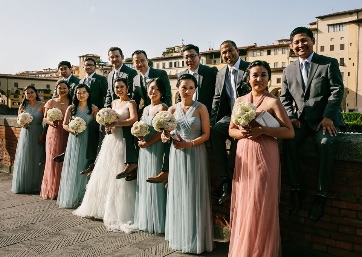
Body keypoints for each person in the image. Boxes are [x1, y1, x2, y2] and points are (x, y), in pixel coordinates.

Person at [228, 61, 294, 257]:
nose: (259, 79)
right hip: (244, 154)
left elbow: (289, 132)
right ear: (248, 79)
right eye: (255, 75)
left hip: (265, 153)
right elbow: (231, 131)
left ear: (269, 78)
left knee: (261, 200)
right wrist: (244, 133)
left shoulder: (273, 102)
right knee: (245, 200)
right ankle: (244, 250)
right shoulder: (239, 101)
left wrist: (263, 130)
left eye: (263, 75)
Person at [280, 27, 345, 221]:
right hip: (301, 123)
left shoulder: (328, 63)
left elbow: (337, 90)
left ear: (312, 40)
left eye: (304, 40)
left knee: (325, 144)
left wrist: (328, 116)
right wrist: (290, 116)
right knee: (288, 143)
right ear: (292, 46)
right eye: (296, 42)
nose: (300, 45)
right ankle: (297, 189)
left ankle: (321, 195)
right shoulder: (288, 70)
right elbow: (284, 98)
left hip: (325, 120)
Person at [73, 78, 138, 233]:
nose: (119, 89)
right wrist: (108, 127)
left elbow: (133, 119)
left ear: (127, 88)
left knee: (118, 171)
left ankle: (119, 211)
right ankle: (101, 208)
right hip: (110, 140)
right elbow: (108, 120)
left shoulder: (131, 103)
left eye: (122, 86)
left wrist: (116, 124)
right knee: (105, 172)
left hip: (123, 141)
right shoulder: (114, 103)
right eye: (117, 87)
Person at [164, 73, 213, 254]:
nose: (187, 91)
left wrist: (189, 144)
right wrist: (165, 136)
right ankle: (179, 235)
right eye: (184, 87)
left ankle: (195, 238)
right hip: (177, 154)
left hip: (194, 152)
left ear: (195, 89)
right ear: (178, 88)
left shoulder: (201, 108)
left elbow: (207, 134)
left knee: (193, 193)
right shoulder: (171, 110)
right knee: (178, 192)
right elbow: (166, 133)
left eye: (191, 88)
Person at [210, 40, 250, 204]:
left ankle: (231, 183)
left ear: (237, 51)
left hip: (248, 114)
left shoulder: (249, 68)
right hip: (230, 115)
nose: (227, 55)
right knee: (215, 131)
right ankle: (225, 178)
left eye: (229, 51)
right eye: (223, 53)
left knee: (237, 141)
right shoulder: (220, 73)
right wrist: (212, 120)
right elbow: (217, 98)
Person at [129, 50, 172, 184]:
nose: (140, 64)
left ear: (147, 60)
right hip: (146, 113)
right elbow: (135, 101)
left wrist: (164, 116)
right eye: (136, 61)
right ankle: (133, 164)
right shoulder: (135, 79)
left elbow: (168, 94)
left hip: (160, 115)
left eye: (142, 60)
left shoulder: (160, 74)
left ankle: (165, 170)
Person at [133, 77, 168, 234]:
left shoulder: (163, 108)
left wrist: (147, 143)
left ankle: (158, 220)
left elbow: (162, 131)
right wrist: (140, 137)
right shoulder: (145, 108)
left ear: (161, 92)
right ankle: (146, 217)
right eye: (150, 88)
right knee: (145, 180)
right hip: (144, 149)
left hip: (156, 148)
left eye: (156, 89)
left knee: (155, 181)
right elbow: (141, 127)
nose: (152, 91)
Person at [57, 84, 98, 208]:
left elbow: (97, 126)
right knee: (73, 167)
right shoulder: (71, 108)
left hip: (88, 141)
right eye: (78, 93)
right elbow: (64, 125)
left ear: (88, 94)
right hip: (74, 140)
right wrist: (72, 130)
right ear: (75, 95)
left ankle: (84, 198)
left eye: (84, 92)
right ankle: (72, 196)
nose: (81, 95)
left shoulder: (94, 108)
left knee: (85, 166)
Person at [106, 47, 138, 181]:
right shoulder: (109, 75)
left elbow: (136, 93)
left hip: (128, 114)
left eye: (117, 56)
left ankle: (132, 166)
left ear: (122, 57)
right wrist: (106, 116)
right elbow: (109, 95)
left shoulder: (131, 72)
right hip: (114, 113)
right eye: (112, 57)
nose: (114, 59)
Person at [40, 79, 71, 199]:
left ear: (68, 90)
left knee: (64, 161)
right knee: (52, 160)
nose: (62, 90)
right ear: (56, 89)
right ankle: (52, 189)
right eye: (60, 88)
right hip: (53, 133)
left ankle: (63, 189)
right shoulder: (51, 102)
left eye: (64, 88)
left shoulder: (71, 102)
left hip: (67, 133)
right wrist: (51, 122)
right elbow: (44, 118)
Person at [11, 86, 45, 193]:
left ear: (36, 93)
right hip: (26, 133)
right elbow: (18, 120)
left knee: (38, 157)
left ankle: (37, 185)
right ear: (25, 95)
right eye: (27, 93)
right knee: (26, 158)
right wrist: (22, 124)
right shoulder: (23, 106)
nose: (30, 94)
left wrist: (43, 134)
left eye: (32, 92)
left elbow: (46, 121)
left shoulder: (43, 105)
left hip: (38, 133)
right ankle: (25, 184)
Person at [78, 57, 108, 175]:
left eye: (91, 65)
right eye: (86, 65)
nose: (88, 67)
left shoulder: (100, 79)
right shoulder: (81, 81)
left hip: (96, 113)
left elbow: (106, 96)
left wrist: (102, 113)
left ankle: (92, 162)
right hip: (83, 111)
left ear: (95, 67)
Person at [177, 44, 218, 115]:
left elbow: (216, 96)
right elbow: (179, 97)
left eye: (192, 56)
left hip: (206, 114)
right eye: (186, 57)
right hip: (186, 114)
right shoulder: (181, 75)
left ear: (199, 57)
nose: (189, 60)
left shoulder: (210, 72)